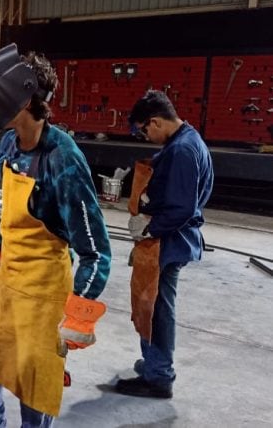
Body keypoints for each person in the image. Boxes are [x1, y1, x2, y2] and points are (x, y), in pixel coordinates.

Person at [0, 50, 112, 428]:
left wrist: (78, 316)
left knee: (35, 396)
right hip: (7, 288)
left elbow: (96, 252)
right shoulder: (8, 146)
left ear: (27, 97)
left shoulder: (62, 158)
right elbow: (9, 221)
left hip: (45, 296)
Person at [116, 90, 213, 399]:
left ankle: (159, 376)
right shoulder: (188, 141)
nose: (145, 137)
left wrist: (149, 227)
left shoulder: (182, 150)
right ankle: (155, 364)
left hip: (167, 243)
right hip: (170, 240)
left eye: (143, 130)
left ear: (155, 122)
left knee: (155, 307)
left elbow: (184, 208)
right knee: (153, 304)